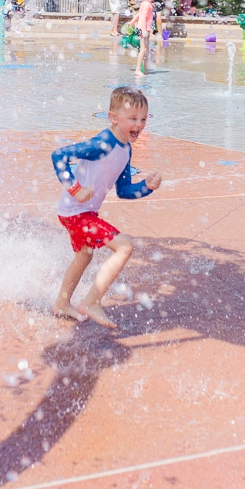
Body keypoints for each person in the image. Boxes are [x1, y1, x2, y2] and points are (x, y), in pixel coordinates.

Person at [51, 85, 162, 328]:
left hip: (82, 213)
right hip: (75, 213)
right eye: (132, 118)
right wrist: (75, 189)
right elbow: (58, 155)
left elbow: (125, 191)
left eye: (143, 119)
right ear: (113, 117)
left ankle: (61, 303)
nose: (139, 125)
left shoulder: (125, 149)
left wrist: (147, 186)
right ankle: (92, 302)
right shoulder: (103, 143)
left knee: (84, 257)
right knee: (124, 247)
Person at [134, 0, 155, 76]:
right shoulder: (147, 4)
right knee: (143, 49)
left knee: (146, 49)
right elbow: (142, 18)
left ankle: (145, 69)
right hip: (143, 29)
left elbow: (138, 15)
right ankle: (138, 69)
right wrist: (144, 30)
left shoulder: (146, 4)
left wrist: (131, 23)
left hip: (143, 28)